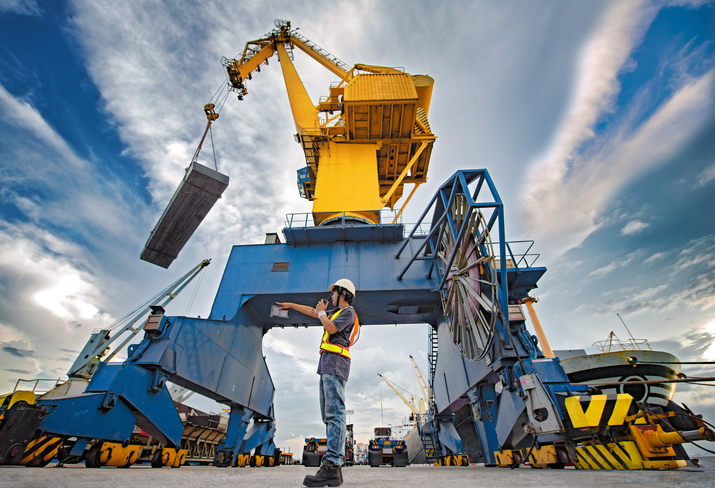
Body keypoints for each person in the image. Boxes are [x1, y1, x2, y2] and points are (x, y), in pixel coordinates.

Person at [277, 278, 360, 487]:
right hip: (327, 366)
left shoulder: (348, 312)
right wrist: (291, 305)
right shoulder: (333, 313)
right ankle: (335, 471)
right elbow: (312, 312)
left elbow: (331, 329)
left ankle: (332, 464)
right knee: (328, 415)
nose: (331, 296)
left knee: (335, 414)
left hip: (335, 365)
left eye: (334, 293)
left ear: (342, 293)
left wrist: (322, 311)